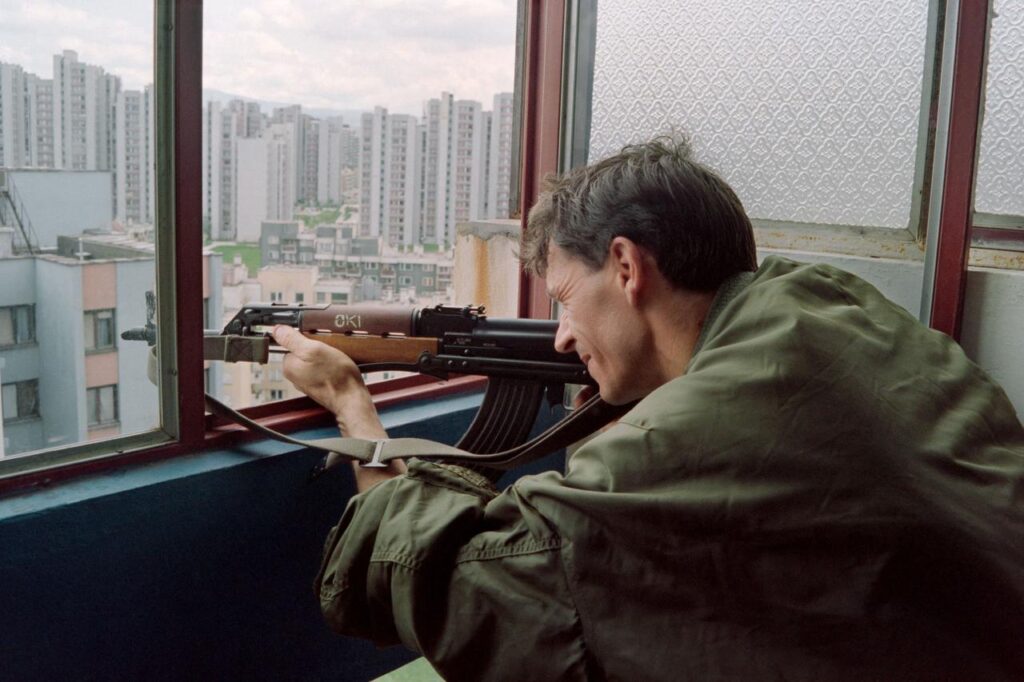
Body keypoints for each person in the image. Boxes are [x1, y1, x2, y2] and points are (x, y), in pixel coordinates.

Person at [272, 135, 1024, 681]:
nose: (564, 337)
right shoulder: (832, 305)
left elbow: (459, 581)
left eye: (566, 300)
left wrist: (352, 404)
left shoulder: (685, 438)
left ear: (627, 267)